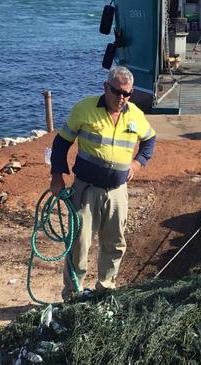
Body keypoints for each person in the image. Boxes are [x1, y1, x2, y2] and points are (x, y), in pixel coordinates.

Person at [49, 66, 156, 300]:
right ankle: (73, 293)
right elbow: (60, 144)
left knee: (114, 243)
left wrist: (137, 164)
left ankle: (106, 289)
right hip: (86, 190)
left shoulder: (135, 114)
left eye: (127, 94)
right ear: (105, 87)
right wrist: (57, 177)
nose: (121, 98)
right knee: (79, 242)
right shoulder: (84, 109)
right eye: (117, 92)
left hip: (117, 192)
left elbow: (149, 141)